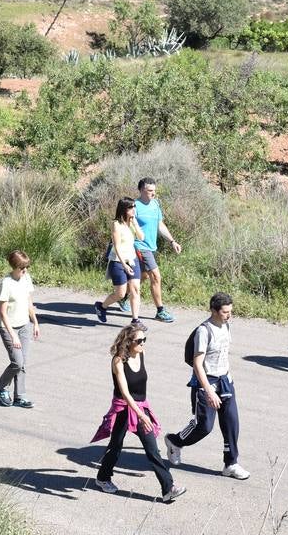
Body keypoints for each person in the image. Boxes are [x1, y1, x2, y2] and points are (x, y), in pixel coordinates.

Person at [91, 321, 186, 503]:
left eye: (144, 340)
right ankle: (103, 478)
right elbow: (125, 393)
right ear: (128, 342)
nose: (143, 343)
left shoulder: (141, 354)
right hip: (123, 409)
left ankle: (168, 489)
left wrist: (143, 411)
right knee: (115, 447)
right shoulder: (118, 361)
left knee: (152, 449)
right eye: (139, 341)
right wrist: (141, 415)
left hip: (141, 407)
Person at [165, 292, 250, 480]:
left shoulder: (226, 326)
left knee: (231, 423)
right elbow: (197, 364)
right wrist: (209, 391)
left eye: (230, 311)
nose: (229, 315)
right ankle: (175, 441)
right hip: (206, 383)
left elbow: (224, 354)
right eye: (225, 312)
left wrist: (229, 378)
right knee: (204, 426)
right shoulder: (204, 331)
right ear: (213, 310)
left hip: (225, 381)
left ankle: (231, 464)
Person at [132, 177, 183, 323]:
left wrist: (172, 241)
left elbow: (160, 224)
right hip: (139, 246)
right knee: (155, 276)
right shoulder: (134, 206)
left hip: (151, 246)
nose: (153, 194)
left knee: (143, 276)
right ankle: (160, 311)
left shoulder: (155, 204)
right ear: (141, 190)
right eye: (150, 191)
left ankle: (123, 295)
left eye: (154, 191)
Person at [0, 250, 40, 408]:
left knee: (23, 363)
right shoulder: (6, 283)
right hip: (8, 328)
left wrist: (35, 322)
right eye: (22, 268)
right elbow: (2, 313)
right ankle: (1, 387)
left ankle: (20, 396)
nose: (25, 270)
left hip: (24, 325)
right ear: (14, 267)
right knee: (17, 362)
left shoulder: (26, 278)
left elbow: (29, 302)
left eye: (26, 267)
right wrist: (13, 335)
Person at [94, 198, 144, 324]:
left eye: (134, 207)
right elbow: (117, 247)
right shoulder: (116, 224)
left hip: (132, 260)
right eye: (131, 207)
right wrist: (124, 265)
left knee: (135, 289)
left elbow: (141, 237)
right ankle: (102, 306)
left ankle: (135, 320)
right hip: (118, 261)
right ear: (124, 209)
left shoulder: (132, 222)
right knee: (121, 294)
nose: (134, 210)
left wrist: (135, 224)